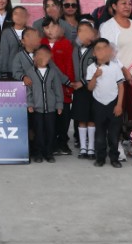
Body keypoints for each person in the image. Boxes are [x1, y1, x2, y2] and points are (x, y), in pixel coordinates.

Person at [99, 0, 132, 138]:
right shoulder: (108, 26)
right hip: (117, 77)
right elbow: (108, 52)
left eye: (129, 3)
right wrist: (122, 69)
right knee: (117, 112)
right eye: (123, 3)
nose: (127, 6)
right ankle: (116, 145)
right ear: (114, 6)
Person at [86, 38, 125, 168]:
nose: (102, 51)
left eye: (105, 48)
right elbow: (90, 88)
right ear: (93, 53)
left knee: (114, 134)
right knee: (100, 135)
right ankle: (100, 158)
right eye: (98, 48)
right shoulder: (91, 68)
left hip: (113, 104)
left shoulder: (115, 67)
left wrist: (119, 105)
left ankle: (114, 158)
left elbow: (121, 86)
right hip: (98, 104)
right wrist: (95, 76)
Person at [41, 19, 75, 155]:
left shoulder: (65, 43)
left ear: (59, 28)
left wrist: (69, 85)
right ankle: (52, 143)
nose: (50, 30)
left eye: (53, 27)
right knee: (50, 116)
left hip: (63, 87)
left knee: (64, 116)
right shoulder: (41, 44)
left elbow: (69, 65)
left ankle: (63, 142)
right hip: (46, 88)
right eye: (46, 27)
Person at [27, 45, 65, 163]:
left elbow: (58, 89)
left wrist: (59, 105)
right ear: (35, 58)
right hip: (37, 109)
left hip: (51, 108)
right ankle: (38, 153)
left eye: (47, 56)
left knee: (50, 131)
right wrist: (30, 104)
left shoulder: (53, 72)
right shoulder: (30, 72)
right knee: (38, 132)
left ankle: (49, 153)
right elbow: (29, 90)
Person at [74, 21, 97, 159]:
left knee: (91, 118)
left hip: (92, 87)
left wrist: (82, 82)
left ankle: (91, 148)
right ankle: (83, 147)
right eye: (81, 31)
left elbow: (97, 67)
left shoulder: (95, 49)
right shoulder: (75, 48)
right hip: (78, 90)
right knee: (81, 118)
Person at [0, 6, 29, 79]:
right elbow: (4, 54)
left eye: (21, 14)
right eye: (15, 13)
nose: (18, 16)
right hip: (11, 71)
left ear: (26, 16)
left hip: (28, 71)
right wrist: (3, 72)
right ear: (12, 17)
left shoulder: (31, 32)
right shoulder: (6, 32)